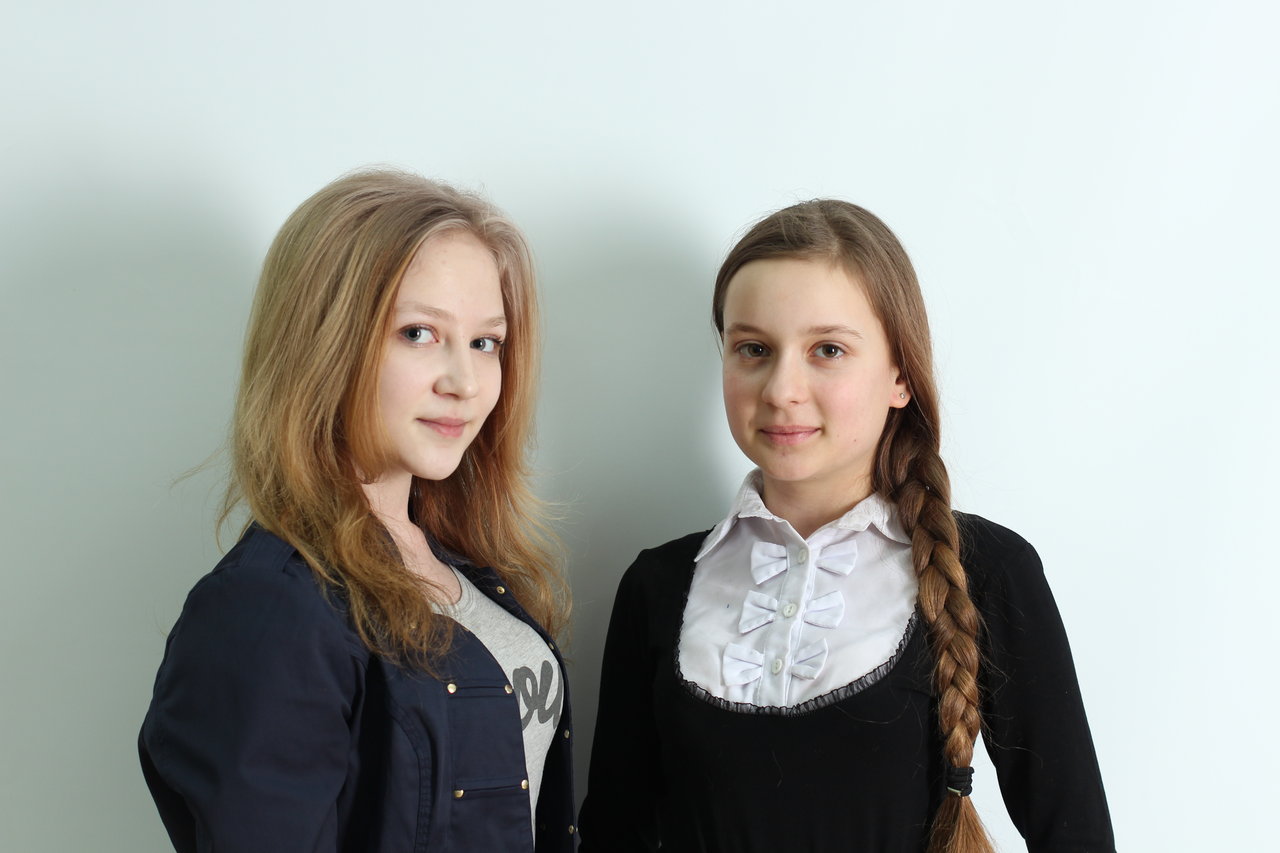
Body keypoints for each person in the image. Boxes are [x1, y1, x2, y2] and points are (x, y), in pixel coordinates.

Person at [579, 200, 1114, 852]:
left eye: (827, 350)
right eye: (753, 349)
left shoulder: (988, 570)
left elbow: (1077, 836)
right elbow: (612, 835)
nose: (781, 389)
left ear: (900, 376)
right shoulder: (657, 585)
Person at [139, 169, 576, 852]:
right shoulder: (269, 607)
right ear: (324, 340)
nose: (464, 382)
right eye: (418, 333)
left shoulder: (465, 565)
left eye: (485, 342)